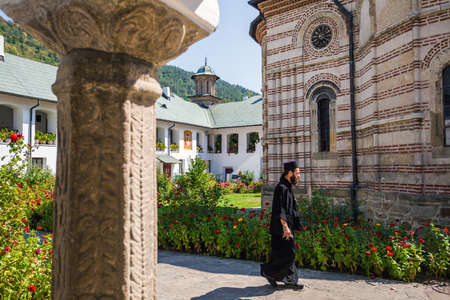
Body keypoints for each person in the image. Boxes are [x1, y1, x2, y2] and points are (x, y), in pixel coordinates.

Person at [260, 161, 303, 290]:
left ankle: (288, 279)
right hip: (281, 229)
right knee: (290, 253)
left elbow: (291, 208)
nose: (299, 175)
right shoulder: (281, 188)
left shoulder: (287, 186)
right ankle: (269, 272)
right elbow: (280, 209)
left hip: (286, 227)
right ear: (290, 173)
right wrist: (285, 227)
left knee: (281, 254)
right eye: (297, 173)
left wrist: (294, 224)